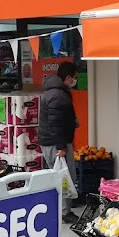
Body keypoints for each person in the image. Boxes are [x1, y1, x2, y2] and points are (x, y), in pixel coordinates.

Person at [40, 61, 80, 224]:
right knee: (64, 176)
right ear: (68, 77)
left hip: (50, 141)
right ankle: (64, 213)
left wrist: (71, 122)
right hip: (56, 143)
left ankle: (60, 208)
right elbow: (55, 124)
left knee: (59, 176)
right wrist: (62, 147)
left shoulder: (53, 92)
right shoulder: (58, 96)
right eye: (74, 78)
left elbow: (58, 119)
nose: (75, 81)